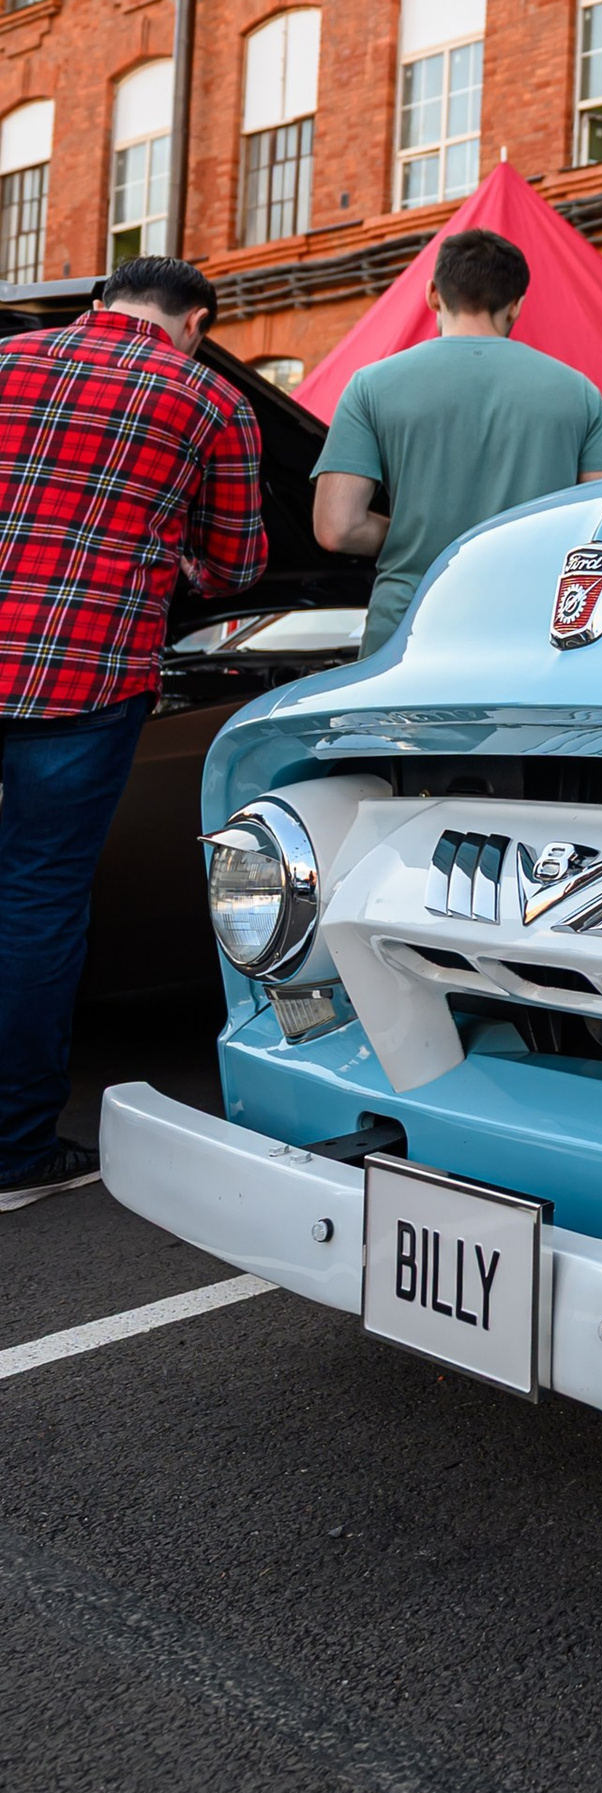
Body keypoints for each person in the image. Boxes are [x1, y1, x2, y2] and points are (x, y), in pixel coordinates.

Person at [0, 257, 268, 1193]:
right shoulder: (211, 399)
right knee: (36, 900)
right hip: (83, 674)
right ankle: (15, 1149)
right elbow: (234, 566)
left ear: (98, 302)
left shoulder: (7, 362)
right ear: (195, 324)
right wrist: (160, 553)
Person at [314, 227, 602, 655]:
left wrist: (415, 532)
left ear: (432, 294)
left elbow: (337, 527)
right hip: (532, 628)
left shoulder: (370, 386)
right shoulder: (578, 392)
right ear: (516, 305)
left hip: (407, 631)